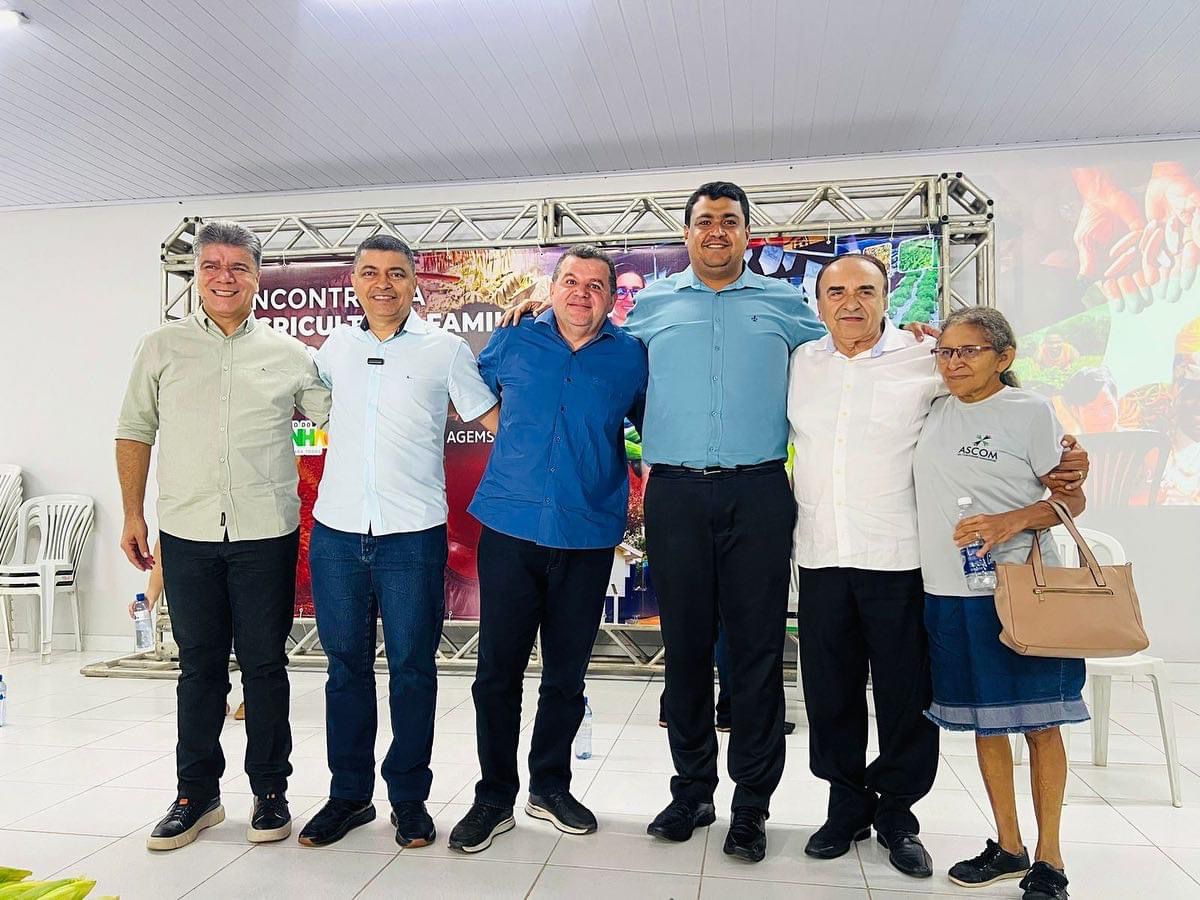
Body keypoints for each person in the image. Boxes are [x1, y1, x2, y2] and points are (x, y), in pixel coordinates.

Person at [787, 256, 1088, 880]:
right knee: (830, 693)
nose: (851, 303)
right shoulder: (799, 363)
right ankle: (844, 807)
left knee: (905, 697)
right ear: (816, 302)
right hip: (820, 554)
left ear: (885, 297)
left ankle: (898, 813)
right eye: (836, 291)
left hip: (901, 560)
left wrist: (1070, 463)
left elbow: (1000, 405)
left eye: (865, 290)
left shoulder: (924, 360)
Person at [623, 181, 826, 863]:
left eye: (729, 222)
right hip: (675, 493)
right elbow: (602, 364)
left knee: (757, 653)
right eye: (704, 221)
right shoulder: (649, 307)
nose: (716, 231)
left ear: (747, 234)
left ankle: (751, 806)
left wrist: (907, 339)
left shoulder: (788, 306)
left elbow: (846, 360)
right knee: (683, 649)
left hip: (761, 493)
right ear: (686, 234)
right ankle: (691, 793)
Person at [116, 220, 331, 851]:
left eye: (237, 266)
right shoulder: (161, 348)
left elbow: (341, 421)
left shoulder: (293, 356)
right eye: (212, 266)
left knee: (266, 666)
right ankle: (196, 795)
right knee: (199, 669)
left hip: (267, 533)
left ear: (257, 276)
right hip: (187, 532)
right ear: (197, 274)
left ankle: (270, 793)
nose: (224, 277)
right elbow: (134, 430)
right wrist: (133, 513)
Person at [297, 236, 498, 850]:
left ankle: (409, 799)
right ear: (354, 282)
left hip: (413, 534)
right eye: (370, 273)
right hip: (336, 532)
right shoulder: (334, 349)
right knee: (345, 669)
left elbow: (492, 421)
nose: (382, 284)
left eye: (396, 274)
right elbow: (303, 406)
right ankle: (349, 797)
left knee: (413, 670)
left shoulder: (445, 351)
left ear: (416, 283)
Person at [446, 247, 647, 853]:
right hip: (509, 527)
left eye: (594, 285)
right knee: (496, 674)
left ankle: (550, 787)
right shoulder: (512, 341)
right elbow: (469, 394)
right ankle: (492, 796)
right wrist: (498, 426)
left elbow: (651, 428)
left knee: (567, 674)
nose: (580, 293)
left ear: (611, 297)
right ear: (552, 288)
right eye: (569, 282)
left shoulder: (631, 357)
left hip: (586, 534)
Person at [914, 307, 1088, 900]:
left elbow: (1072, 501)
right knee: (987, 726)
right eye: (944, 352)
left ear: (1004, 357)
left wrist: (1009, 522)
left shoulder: (1029, 411)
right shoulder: (934, 409)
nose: (953, 363)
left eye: (968, 352)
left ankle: (1051, 858)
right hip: (948, 591)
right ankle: (1008, 845)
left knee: (1040, 724)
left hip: (1021, 593)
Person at [1054, 366, 1119, 434]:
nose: (1102, 415)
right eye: (1091, 409)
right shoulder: (1064, 443)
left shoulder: (1130, 440)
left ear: (1116, 402)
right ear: (1075, 411)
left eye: (1107, 405)